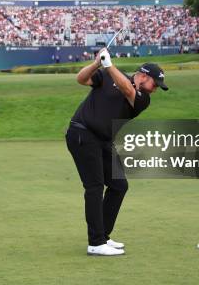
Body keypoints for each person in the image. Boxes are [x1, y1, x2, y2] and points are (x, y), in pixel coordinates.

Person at [65, 47, 168, 256]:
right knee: (94, 187)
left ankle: (102, 235)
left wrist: (109, 65)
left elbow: (127, 90)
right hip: (82, 134)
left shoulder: (142, 98)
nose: (155, 89)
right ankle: (95, 243)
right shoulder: (106, 74)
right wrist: (96, 64)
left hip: (103, 140)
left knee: (119, 185)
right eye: (154, 84)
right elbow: (81, 79)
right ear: (143, 76)